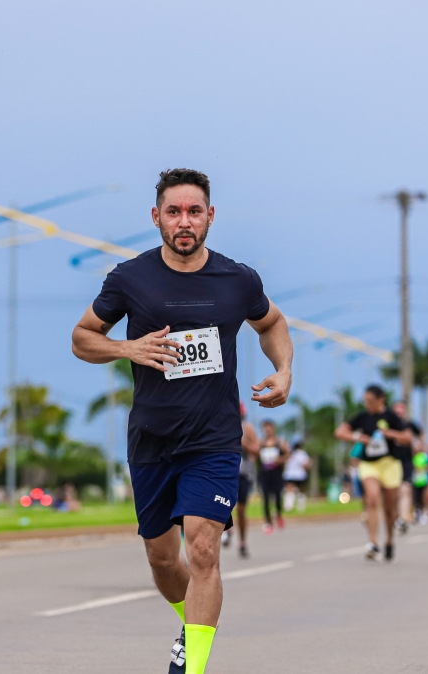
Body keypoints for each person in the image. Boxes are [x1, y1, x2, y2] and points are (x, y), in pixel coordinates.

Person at [70, 168, 292, 674]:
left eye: (194, 211)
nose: (184, 222)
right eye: (174, 212)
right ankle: (191, 629)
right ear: (157, 217)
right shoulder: (130, 278)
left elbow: (272, 322)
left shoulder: (238, 280)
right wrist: (127, 347)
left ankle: (191, 664)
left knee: (204, 549)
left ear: (211, 216)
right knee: (163, 560)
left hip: (214, 439)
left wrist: (284, 370)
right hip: (151, 440)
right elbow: (82, 337)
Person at [335, 385, 412, 562]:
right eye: (365, 401)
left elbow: (407, 437)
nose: (367, 404)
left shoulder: (391, 417)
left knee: (389, 508)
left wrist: (389, 434)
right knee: (372, 498)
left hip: (389, 464)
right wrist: (358, 437)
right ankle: (373, 542)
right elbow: (340, 432)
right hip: (369, 464)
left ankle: (390, 540)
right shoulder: (362, 417)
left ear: (380, 399)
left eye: (370, 401)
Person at [226, 403, 259, 559]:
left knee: (240, 509)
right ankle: (227, 531)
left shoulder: (247, 428)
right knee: (223, 505)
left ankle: (242, 542)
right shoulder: (221, 426)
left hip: (243, 474)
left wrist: (243, 442)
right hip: (225, 473)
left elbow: (256, 451)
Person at [390, 401, 421, 535]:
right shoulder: (388, 426)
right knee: (394, 492)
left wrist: (418, 445)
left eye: (401, 410)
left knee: (405, 489)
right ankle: (395, 516)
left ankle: (403, 518)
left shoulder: (409, 425)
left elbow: (419, 435)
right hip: (391, 462)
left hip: (406, 461)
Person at [257, 419, 290, 534]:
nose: (267, 430)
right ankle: (268, 522)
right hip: (265, 472)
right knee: (265, 498)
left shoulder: (279, 442)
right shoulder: (261, 442)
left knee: (277, 496)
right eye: (265, 428)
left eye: (269, 428)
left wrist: (280, 460)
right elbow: (256, 455)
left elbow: (288, 454)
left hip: (276, 472)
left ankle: (279, 514)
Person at [282, 440, 310, 514]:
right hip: (300, 475)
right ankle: (301, 507)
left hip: (289, 474)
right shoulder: (302, 454)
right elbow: (306, 464)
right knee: (301, 491)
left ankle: (288, 506)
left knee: (289, 490)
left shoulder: (289, 453)